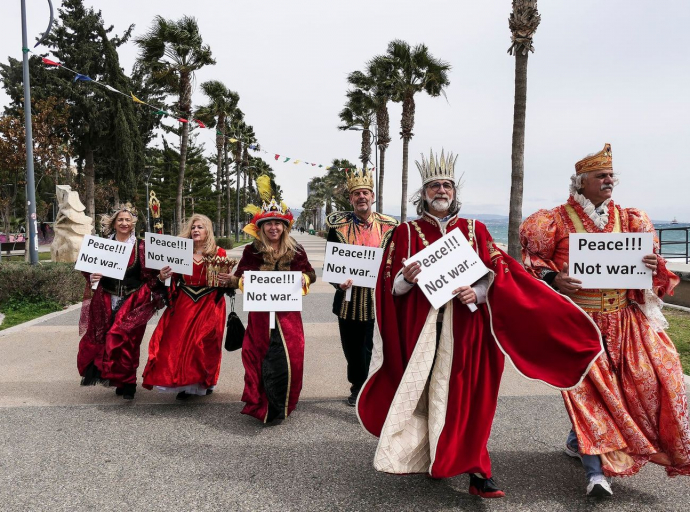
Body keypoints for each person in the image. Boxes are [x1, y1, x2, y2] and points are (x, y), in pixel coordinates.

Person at [356, 149, 603, 499]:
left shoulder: (476, 229)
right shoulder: (404, 233)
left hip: (468, 331)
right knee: (426, 397)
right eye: (434, 186)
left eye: (447, 186)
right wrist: (406, 279)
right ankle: (431, 456)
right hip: (422, 333)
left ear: (455, 193)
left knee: (471, 399)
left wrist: (478, 292)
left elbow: (498, 274)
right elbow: (388, 288)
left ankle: (477, 470)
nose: (441, 191)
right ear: (422, 194)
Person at [520, 143, 690, 496]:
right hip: (578, 320)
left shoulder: (631, 219)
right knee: (587, 391)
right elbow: (531, 264)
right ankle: (596, 474)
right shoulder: (552, 221)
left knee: (657, 376)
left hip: (624, 318)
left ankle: (577, 439)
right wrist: (554, 279)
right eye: (601, 175)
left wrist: (651, 266)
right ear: (580, 182)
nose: (609, 179)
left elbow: (654, 267)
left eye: (612, 175)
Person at [231, 192, 316, 423]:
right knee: (257, 356)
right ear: (261, 227)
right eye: (269, 223)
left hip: (288, 316)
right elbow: (239, 275)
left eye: (278, 223)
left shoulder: (296, 250)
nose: (273, 227)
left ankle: (284, 403)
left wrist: (303, 280)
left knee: (292, 358)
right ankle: (261, 403)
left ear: (284, 227)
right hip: (259, 315)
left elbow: (310, 273)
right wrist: (243, 282)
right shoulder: (252, 250)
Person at [142, 214, 236, 399]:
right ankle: (184, 383)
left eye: (200, 227)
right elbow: (171, 280)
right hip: (185, 301)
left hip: (210, 302)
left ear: (207, 230)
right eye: (193, 227)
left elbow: (225, 281)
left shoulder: (219, 253)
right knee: (179, 343)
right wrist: (163, 276)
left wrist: (228, 281)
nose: (196, 230)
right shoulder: (180, 252)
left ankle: (205, 381)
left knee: (204, 343)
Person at [326, 169, 398, 406]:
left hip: (377, 298)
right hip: (348, 299)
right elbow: (332, 262)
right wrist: (338, 281)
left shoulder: (390, 226)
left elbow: (394, 259)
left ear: (373, 196)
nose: (362, 197)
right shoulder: (338, 226)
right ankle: (357, 386)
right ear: (351, 199)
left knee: (375, 346)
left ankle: (374, 388)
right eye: (357, 194)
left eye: (365, 193)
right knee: (353, 349)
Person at [78, 203, 163, 400]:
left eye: (127, 220)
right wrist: (92, 277)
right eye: (120, 220)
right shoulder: (101, 244)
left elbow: (151, 274)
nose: (124, 223)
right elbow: (87, 268)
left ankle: (129, 381)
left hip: (134, 300)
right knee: (108, 340)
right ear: (114, 223)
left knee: (128, 341)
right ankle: (119, 379)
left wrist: (160, 277)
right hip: (107, 298)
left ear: (133, 223)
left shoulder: (142, 246)